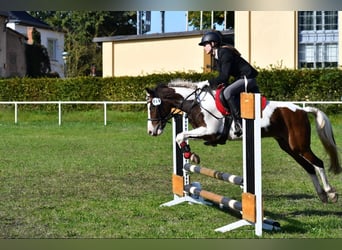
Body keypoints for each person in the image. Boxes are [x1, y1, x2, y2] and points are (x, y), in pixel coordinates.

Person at [197, 31, 259, 136]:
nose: (204, 48)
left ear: (213, 43)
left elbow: (224, 77)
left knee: (227, 93)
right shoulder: (217, 56)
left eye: (205, 45)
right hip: (240, 79)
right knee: (222, 91)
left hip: (247, 78)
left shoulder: (224, 53)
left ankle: (239, 123)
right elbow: (223, 78)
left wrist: (207, 82)